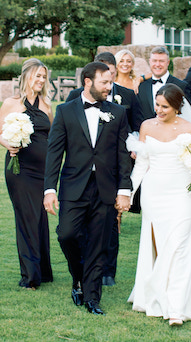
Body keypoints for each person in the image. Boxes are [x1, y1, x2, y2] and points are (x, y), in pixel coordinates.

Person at [129, 84, 191, 325]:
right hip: (154, 192)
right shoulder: (146, 126)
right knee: (161, 245)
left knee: (181, 244)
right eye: (157, 105)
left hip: (182, 193)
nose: (158, 110)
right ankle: (156, 294)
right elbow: (141, 164)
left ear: (177, 107)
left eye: (164, 107)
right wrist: (128, 194)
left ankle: (177, 308)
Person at [44, 62, 132, 316]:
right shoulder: (65, 111)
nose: (109, 86)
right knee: (67, 235)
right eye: (104, 82)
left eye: (111, 81)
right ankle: (78, 278)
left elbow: (123, 154)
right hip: (73, 187)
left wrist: (124, 189)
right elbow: (54, 152)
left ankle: (92, 298)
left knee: (97, 243)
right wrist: (50, 188)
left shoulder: (118, 112)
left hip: (105, 188)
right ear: (87, 82)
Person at [67, 51, 142, 287]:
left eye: (112, 74)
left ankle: (105, 273)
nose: (110, 83)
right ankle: (82, 273)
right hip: (79, 176)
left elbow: (132, 129)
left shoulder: (124, 99)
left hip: (110, 173)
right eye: (105, 77)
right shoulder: (71, 101)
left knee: (108, 227)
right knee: (73, 231)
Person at [0, 58, 53, 291]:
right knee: (27, 217)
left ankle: (44, 270)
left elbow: (51, 137)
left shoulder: (47, 106)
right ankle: (30, 275)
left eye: (43, 77)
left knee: (40, 218)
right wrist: (8, 145)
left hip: (43, 170)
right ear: (26, 77)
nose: (40, 80)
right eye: (36, 76)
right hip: (19, 169)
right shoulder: (11, 103)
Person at [137, 46, 188, 120]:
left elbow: (184, 114)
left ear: (168, 62)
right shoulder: (141, 86)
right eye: (154, 61)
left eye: (161, 61)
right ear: (150, 62)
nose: (157, 64)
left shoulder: (181, 86)